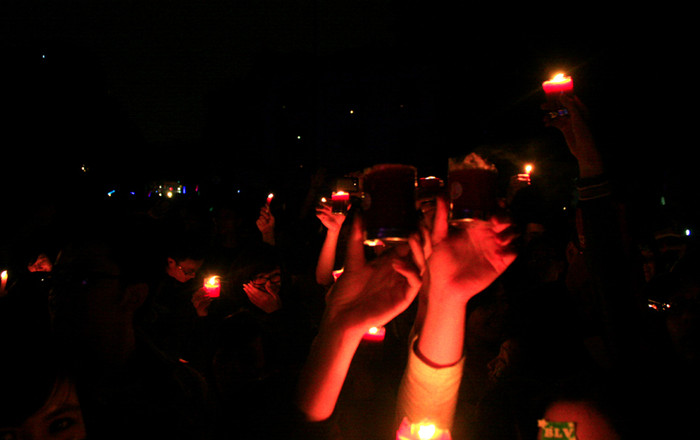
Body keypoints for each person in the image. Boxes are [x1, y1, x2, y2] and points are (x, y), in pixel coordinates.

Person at [49, 209, 214, 439]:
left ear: (134, 295)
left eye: (82, 278)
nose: (57, 291)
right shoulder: (39, 384)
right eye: (57, 276)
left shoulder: (180, 393)